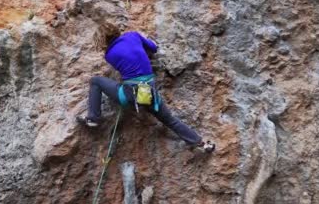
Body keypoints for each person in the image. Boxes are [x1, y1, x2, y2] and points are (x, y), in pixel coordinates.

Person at [77, 25, 216, 153]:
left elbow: (123, 64)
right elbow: (153, 48)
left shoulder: (109, 55)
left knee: (96, 81)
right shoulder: (133, 35)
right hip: (149, 94)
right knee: (170, 120)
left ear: (103, 41)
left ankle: (93, 118)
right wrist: (144, 39)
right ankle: (201, 143)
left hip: (129, 96)